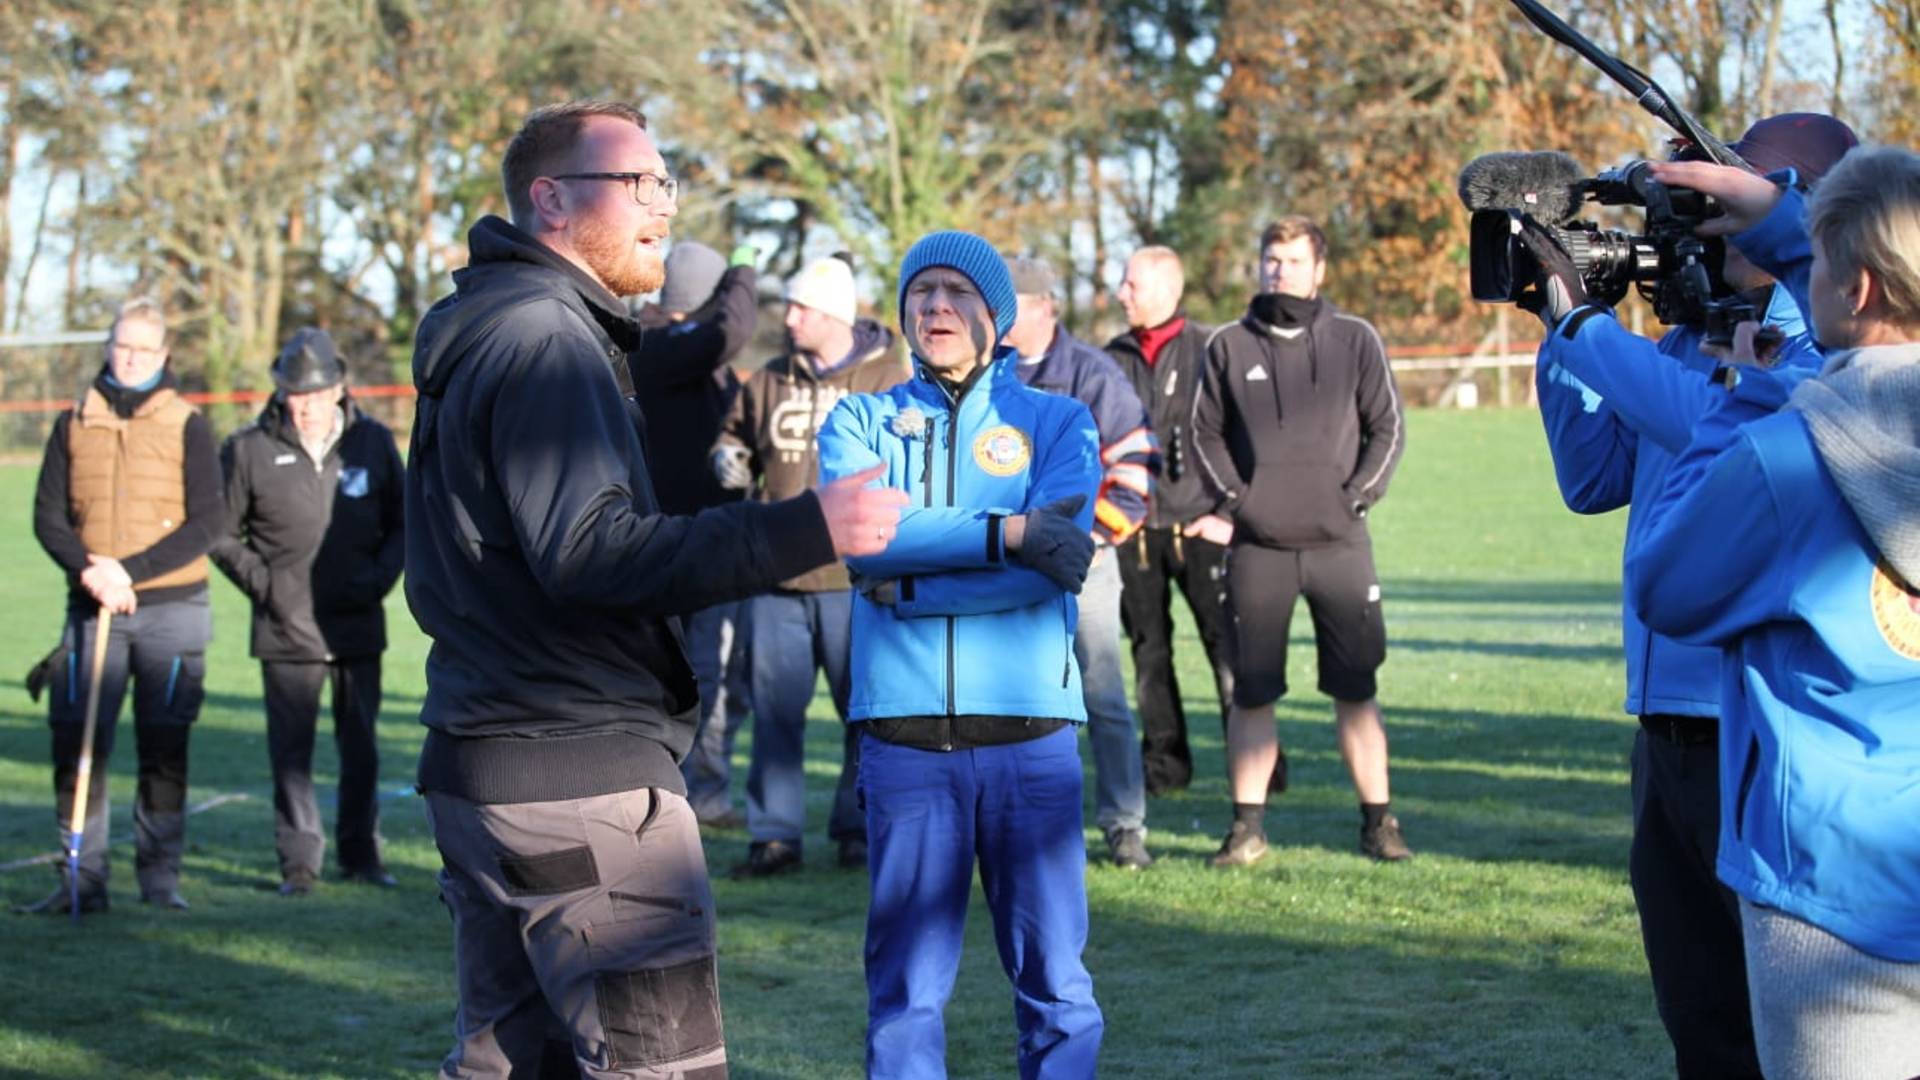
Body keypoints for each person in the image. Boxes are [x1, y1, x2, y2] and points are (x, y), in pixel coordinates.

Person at [404, 99, 905, 1078]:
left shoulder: (498, 324)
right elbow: (592, 552)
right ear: (549, 199)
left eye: (666, 183)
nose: (663, 209)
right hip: (578, 785)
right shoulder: (544, 337)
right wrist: (806, 528)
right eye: (637, 185)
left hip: (485, 769)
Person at [1521, 114, 1856, 1079]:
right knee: (1699, 1016)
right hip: (1661, 733)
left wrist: (1584, 329)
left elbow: (1726, 424)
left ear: (1805, 210)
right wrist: (1562, 328)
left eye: (1733, 190)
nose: (1705, 212)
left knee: (1788, 1028)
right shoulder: (1676, 342)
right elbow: (1592, 478)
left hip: (1759, 730)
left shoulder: (1827, 348)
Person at [1625, 146, 1920, 1080]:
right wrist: (1789, 216)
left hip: (1828, 880)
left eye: (1819, 265)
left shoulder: (1789, 451)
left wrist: (1738, 398)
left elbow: (1666, 584)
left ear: (1859, 284)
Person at [818, 230, 1105, 1078]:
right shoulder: (859, 417)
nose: (935, 306)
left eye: (957, 293)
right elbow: (866, 542)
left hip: (1031, 740)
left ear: (998, 315)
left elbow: (1059, 562)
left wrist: (908, 587)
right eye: (921, 292)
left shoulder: (1057, 421)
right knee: (906, 991)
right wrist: (1007, 533)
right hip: (906, 745)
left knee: (1056, 984)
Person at [1191, 215, 1409, 865]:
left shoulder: (1356, 340)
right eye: (1271, 259)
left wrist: (1355, 499)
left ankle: (1379, 823)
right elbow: (1202, 435)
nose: (1279, 270)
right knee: (1252, 691)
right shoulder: (1228, 345)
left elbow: (1388, 430)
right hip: (1258, 550)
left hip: (1341, 546)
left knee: (1356, 689)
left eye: (1292, 260)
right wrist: (1241, 504)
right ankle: (1247, 828)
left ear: (1320, 270)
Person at [19, 296, 220, 915]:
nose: (129, 357)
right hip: (92, 608)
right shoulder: (72, 421)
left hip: (171, 609)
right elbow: (47, 515)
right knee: (80, 745)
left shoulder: (189, 423)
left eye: (142, 348)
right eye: (121, 345)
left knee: (164, 746)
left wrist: (127, 571)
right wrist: (92, 573)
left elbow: (209, 521)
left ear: (162, 355)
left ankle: (160, 880)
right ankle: (82, 875)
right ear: (108, 348)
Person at [712, 254, 907, 875]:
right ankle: (774, 836)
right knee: (775, 714)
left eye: (800, 308)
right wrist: (729, 459)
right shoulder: (769, 378)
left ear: (831, 315)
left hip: (856, 578)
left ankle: (860, 827)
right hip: (776, 576)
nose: (788, 318)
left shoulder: (888, 380)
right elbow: (735, 437)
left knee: (866, 711)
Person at [210, 327, 406, 897]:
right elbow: (220, 535)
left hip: (356, 621)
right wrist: (267, 586)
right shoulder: (247, 448)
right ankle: (298, 863)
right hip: (285, 627)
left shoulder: (371, 442)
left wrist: (377, 579)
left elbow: (405, 520)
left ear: (339, 390)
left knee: (362, 745)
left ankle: (362, 854)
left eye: (318, 396)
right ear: (281, 394)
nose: (308, 408)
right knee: (292, 755)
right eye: (298, 397)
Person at [1002, 255, 1156, 870]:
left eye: (1008, 303)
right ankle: (1028, 828)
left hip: (1083, 565)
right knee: (1014, 701)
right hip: (1007, 566)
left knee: (1103, 697)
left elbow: (1136, 467)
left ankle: (1124, 824)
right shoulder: (985, 375)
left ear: (1044, 306)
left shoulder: (1093, 375)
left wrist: (1088, 539)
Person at [631, 239, 761, 828]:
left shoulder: (698, 363)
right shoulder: (660, 347)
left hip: (716, 542)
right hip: (677, 547)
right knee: (696, 674)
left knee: (727, 677)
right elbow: (729, 331)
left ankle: (696, 788)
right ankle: (688, 793)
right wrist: (743, 275)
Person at [1104, 246, 1237, 794]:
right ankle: (1165, 769)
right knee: (1148, 653)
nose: (1121, 294)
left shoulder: (1214, 350)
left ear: (1166, 289)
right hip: (1134, 534)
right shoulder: (1108, 358)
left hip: (1203, 526)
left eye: (1131, 285)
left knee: (1227, 647)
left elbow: (1245, 440)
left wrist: (1228, 514)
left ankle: (1255, 764)